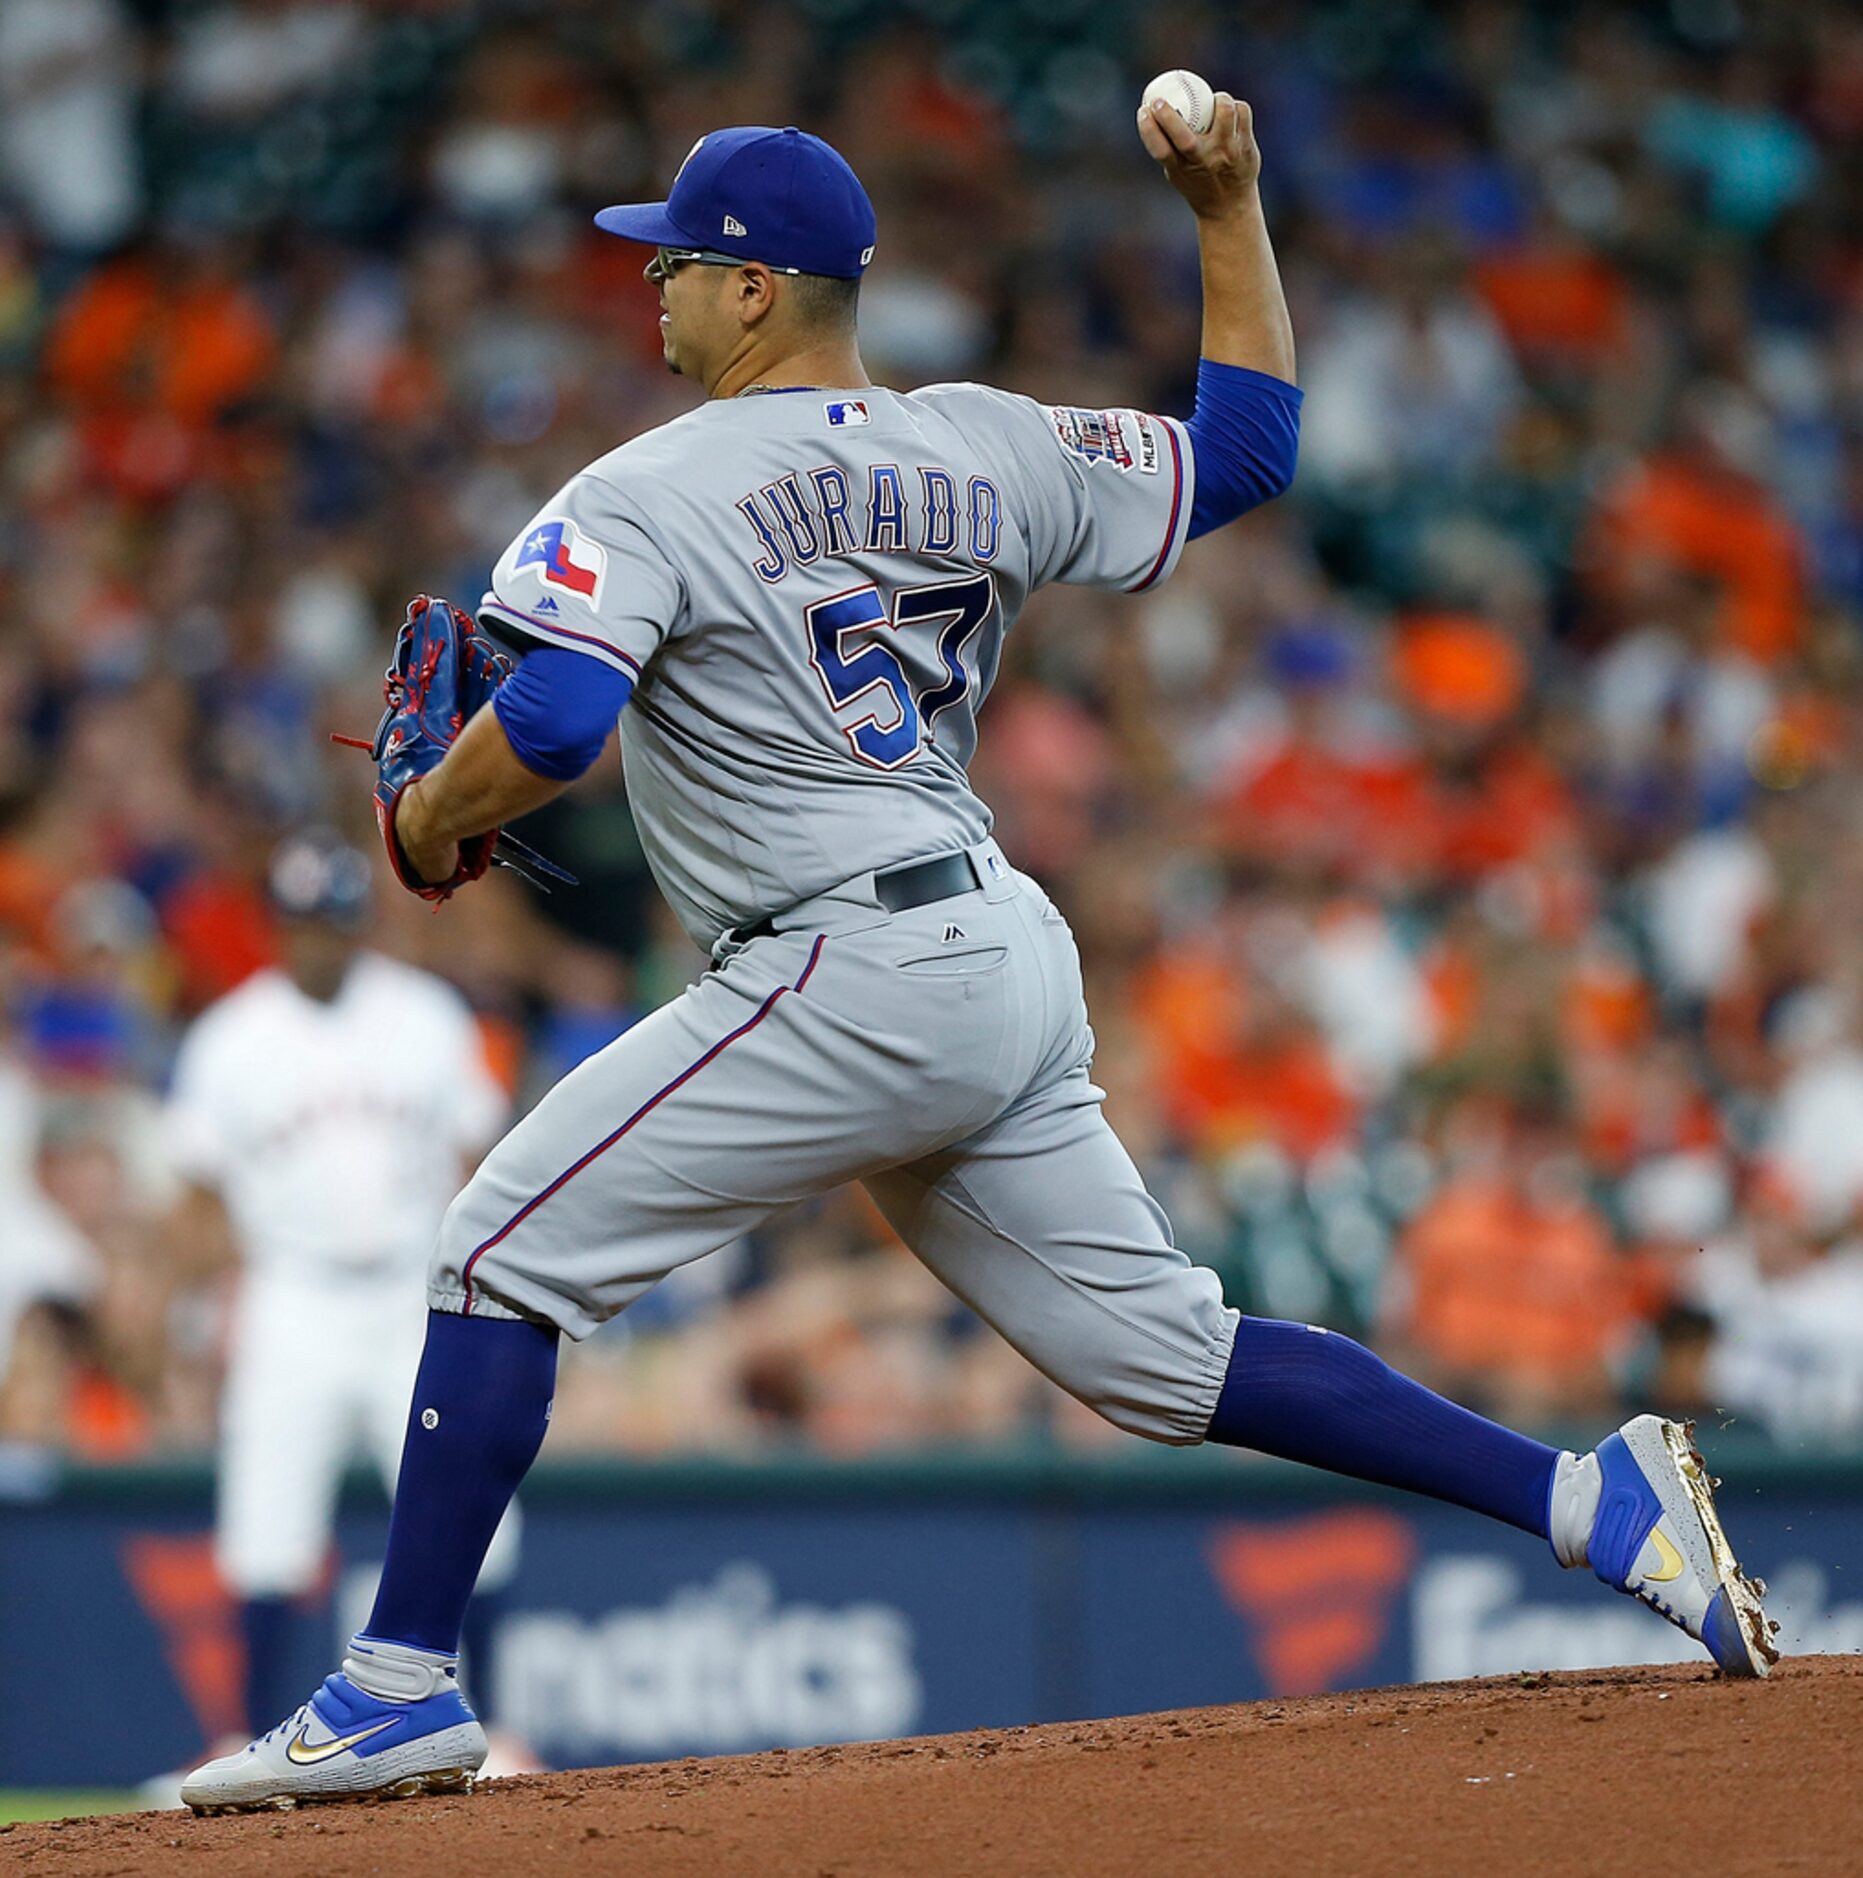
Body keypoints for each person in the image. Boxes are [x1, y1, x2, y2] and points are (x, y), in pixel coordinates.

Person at [182, 99, 1774, 1813]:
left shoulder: (639, 487)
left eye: (677, 264)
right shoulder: (990, 444)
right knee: (1164, 1359)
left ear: (754, 292)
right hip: (994, 951)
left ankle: (397, 1682)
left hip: (840, 958)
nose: (651, 292)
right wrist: (1228, 205)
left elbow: (556, 718)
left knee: (499, 1243)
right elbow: (1241, 451)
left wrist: (426, 822)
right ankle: (1584, 1499)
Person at [165, 831, 520, 1763]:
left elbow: (477, 1157)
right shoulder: (230, 1038)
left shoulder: (424, 1014)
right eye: (301, 923)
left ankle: (499, 1725)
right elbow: (198, 1195)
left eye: (332, 921)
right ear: (277, 929)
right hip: (292, 1295)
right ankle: (239, 1736)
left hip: (413, 1289)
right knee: (266, 1526)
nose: (318, 940)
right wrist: (202, 1317)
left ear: (358, 922)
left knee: (472, 1506)